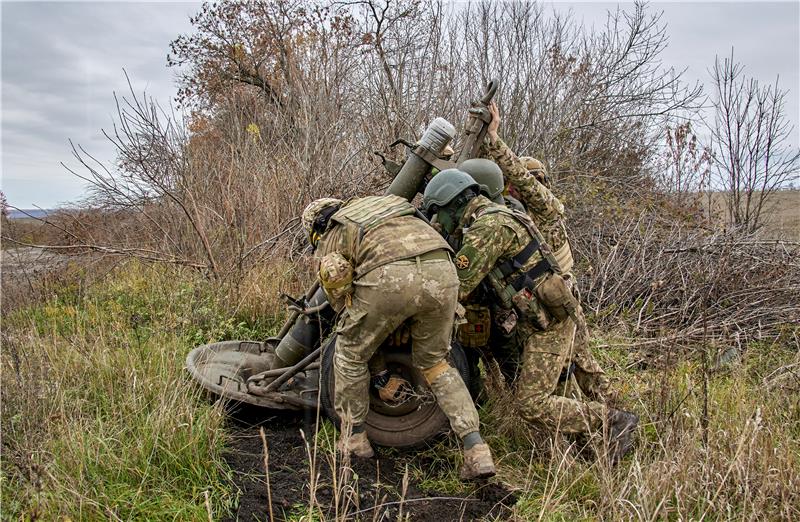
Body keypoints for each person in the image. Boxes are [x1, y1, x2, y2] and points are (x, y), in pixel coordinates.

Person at [421, 170, 638, 463]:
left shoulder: (489, 227)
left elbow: (461, 283)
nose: (438, 221)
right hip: (547, 317)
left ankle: (613, 420)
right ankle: (599, 447)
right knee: (574, 380)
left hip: (548, 324)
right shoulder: (498, 214)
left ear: (454, 203)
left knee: (532, 403)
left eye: (439, 212)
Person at [301, 195, 496, 479]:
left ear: (316, 227)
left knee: (350, 353)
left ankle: (354, 442)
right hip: (443, 270)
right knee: (435, 363)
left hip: (389, 277)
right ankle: (476, 449)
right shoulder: (385, 204)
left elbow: (341, 294)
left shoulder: (333, 232)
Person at [480, 101, 611, 403]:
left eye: (532, 183)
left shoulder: (548, 209)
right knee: (563, 374)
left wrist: (494, 140)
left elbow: (523, 180)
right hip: (540, 307)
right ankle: (590, 433)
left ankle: (611, 421)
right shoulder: (512, 216)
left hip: (560, 303)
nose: (519, 189)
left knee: (583, 369)